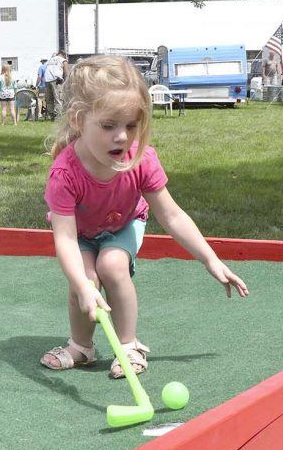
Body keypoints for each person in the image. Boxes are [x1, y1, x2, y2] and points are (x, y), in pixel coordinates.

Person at [39, 55, 249, 379]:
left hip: (124, 223)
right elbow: (65, 238)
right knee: (87, 278)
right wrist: (81, 284)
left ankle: (128, 345)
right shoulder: (65, 173)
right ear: (78, 120)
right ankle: (81, 347)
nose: (122, 137)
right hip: (79, 232)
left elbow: (172, 215)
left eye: (131, 125)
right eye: (108, 126)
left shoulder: (140, 160)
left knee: (112, 265)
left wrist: (210, 259)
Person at [44, 51, 67, 121]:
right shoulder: (63, 60)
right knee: (58, 99)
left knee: (49, 100)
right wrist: (66, 81)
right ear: (63, 55)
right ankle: (58, 117)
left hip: (47, 81)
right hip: (57, 81)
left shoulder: (50, 60)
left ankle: (51, 116)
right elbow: (66, 72)